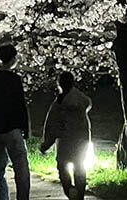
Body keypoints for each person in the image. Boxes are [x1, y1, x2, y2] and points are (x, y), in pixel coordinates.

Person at [0, 44, 30, 200]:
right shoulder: (14, 80)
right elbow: (20, 105)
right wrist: (26, 129)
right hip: (12, 129)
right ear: (13, 59)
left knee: (0, 170)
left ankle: (2, 198)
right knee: (21, 168)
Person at [41, 72, 92, 200]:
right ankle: (79, 194)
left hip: (66, 141)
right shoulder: (81, 100)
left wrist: (46, 144)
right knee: (79, 166)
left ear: (60, 84)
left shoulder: (59, 103)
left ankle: (70, 191)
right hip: (82, 139)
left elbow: (52, 125)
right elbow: (88, 103)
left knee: (62, 165)